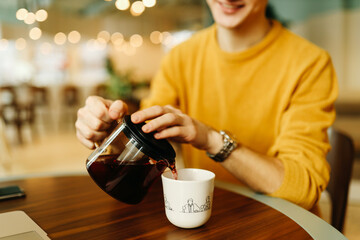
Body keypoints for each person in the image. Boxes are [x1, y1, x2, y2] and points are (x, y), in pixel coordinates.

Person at [76, 0, 338, 210]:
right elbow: (147, 139)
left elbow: (301, 189)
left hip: (281, 221)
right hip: (206, 213)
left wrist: (211, 139)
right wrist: (110, 128)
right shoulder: (181, 57)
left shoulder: (310, 64)